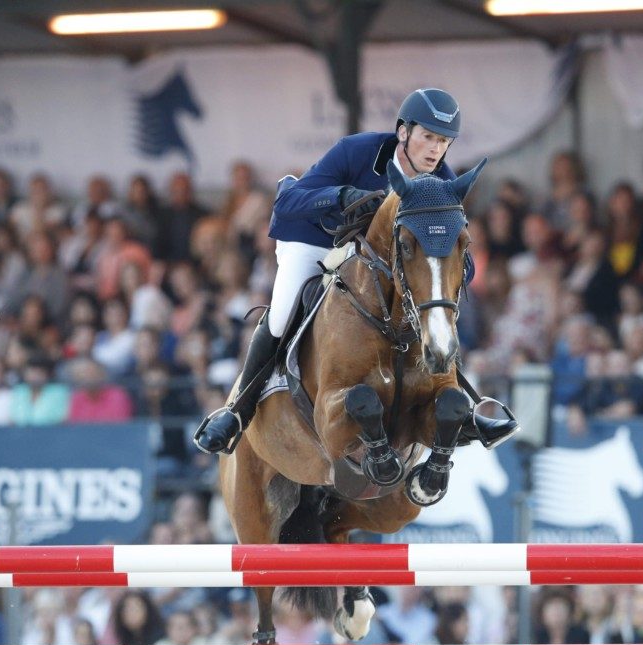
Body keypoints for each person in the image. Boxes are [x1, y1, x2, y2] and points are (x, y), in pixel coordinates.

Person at [193, 88, 518, 456]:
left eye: (443, 141)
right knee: (283, 314)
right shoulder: (358, 151)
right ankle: (238, 411)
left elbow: (454, 258)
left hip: (370, 258)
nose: (435, 150)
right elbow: (287, 200)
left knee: (431, 310)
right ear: (403, 132)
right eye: (428, 137)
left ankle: (466, 408)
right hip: (315, 239)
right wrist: (340, 196)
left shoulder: (440, 184)